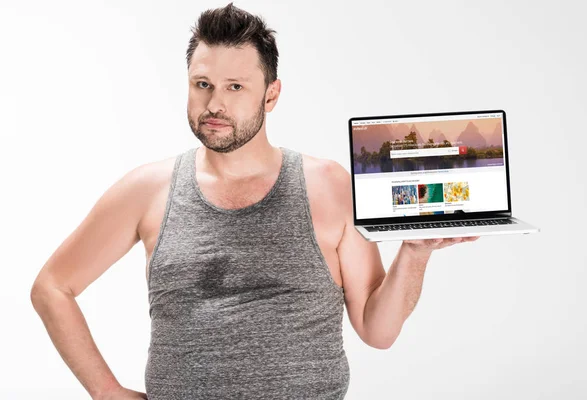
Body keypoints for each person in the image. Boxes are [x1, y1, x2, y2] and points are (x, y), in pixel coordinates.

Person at [29, 3, 479, 399]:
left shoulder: (329, 185)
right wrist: (106, 392)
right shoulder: (148, 189)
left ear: (272, 95)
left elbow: (377, 330)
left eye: (235, 87)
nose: (214, 104)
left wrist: (415, 252)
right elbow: (52, 287)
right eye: (202, 84)